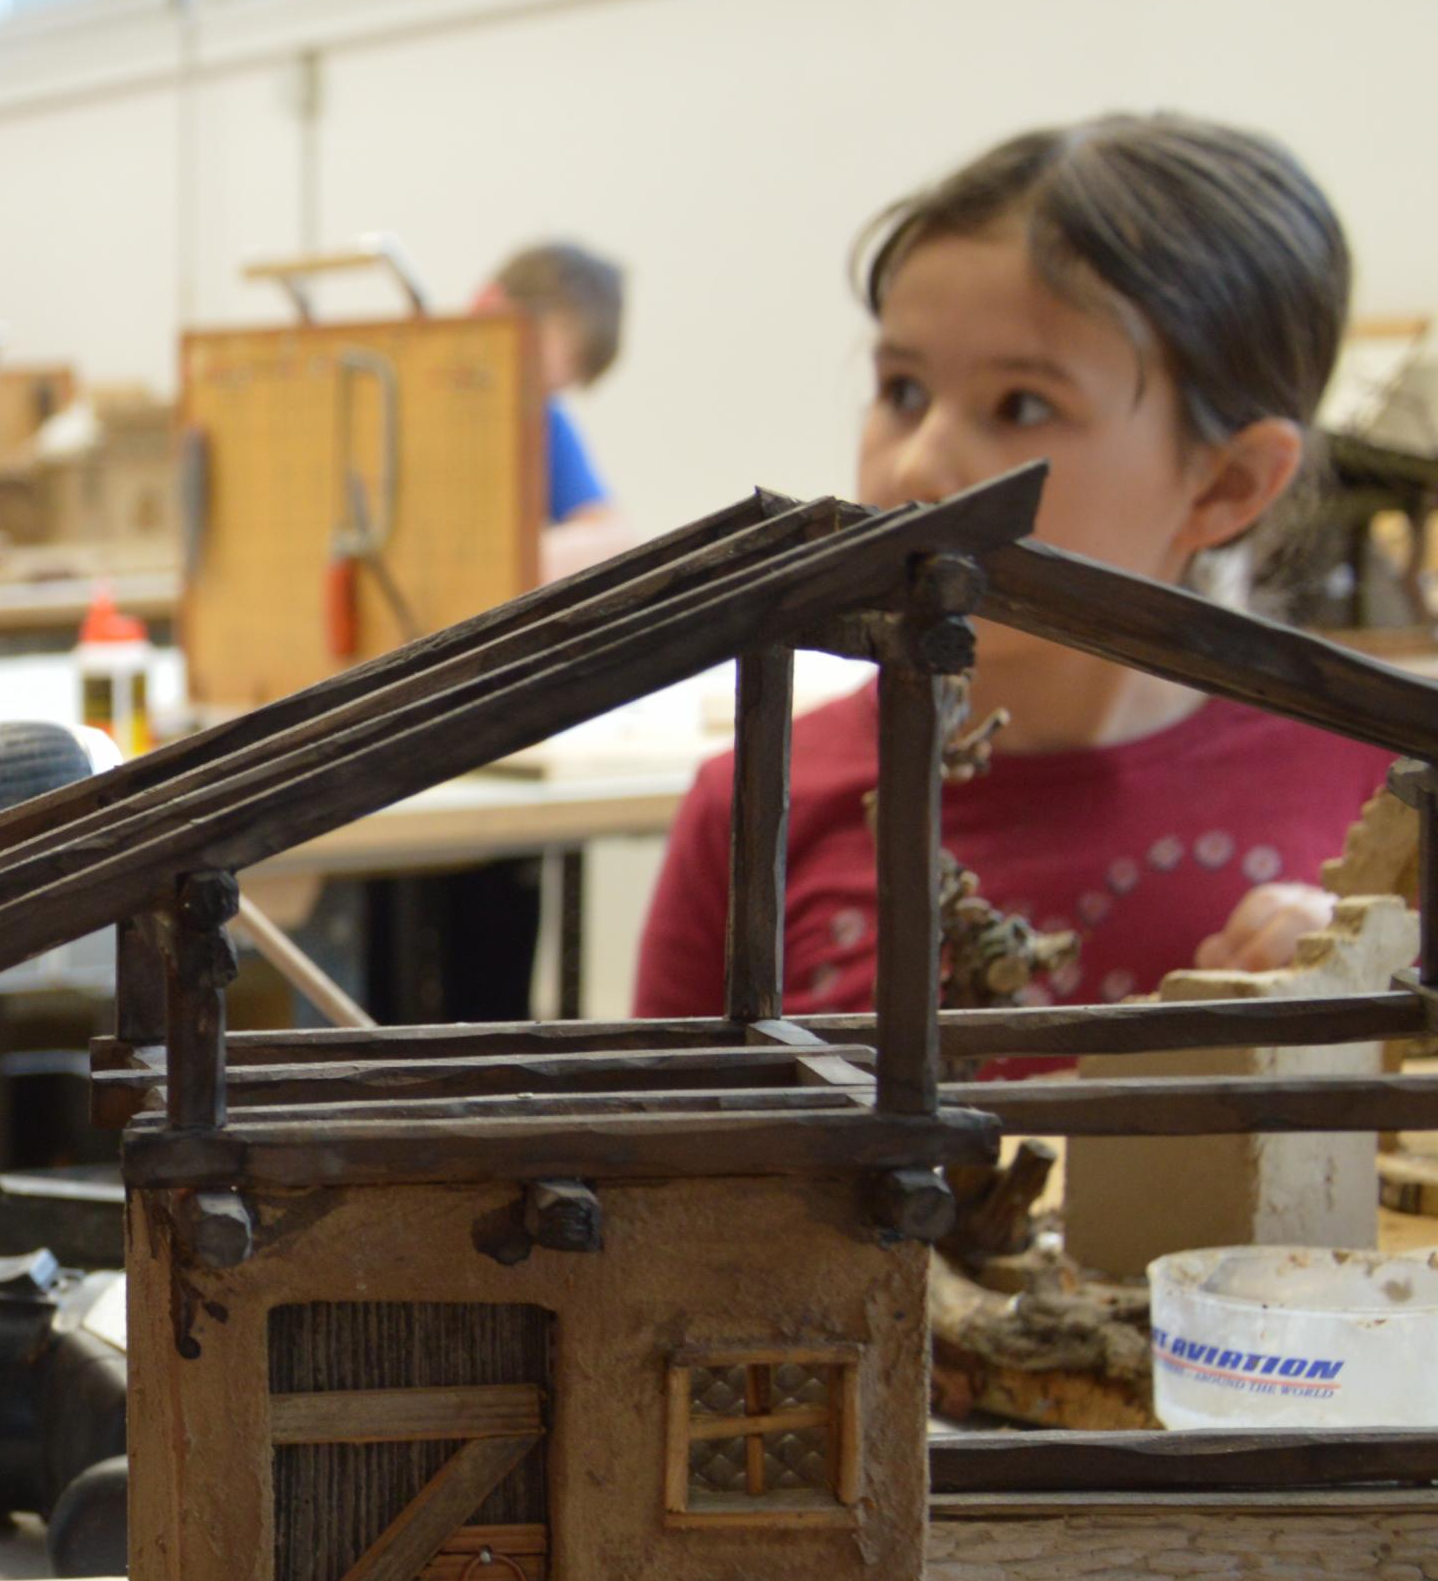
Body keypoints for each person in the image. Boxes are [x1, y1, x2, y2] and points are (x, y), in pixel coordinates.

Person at [634, 116, 1382, 1022]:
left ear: (1228, 483)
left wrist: (1363, 980)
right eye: (903, 390)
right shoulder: (755, 803)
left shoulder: (1385, 804)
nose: (916, 465)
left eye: (1021, 405)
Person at [479, 240, 627, 580]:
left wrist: (516, 560)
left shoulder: (543, 420)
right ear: (488, 304)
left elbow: (614, 537)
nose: (530, 400)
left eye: (549, 390)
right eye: (531, 373)